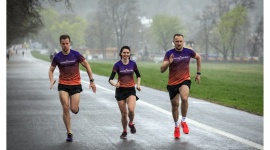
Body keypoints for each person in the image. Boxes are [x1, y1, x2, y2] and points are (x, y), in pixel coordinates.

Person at [48, 34, 96, 142]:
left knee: (73, 109)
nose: (65, 45)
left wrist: (92, 81)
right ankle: (69, 132)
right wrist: (51, 80)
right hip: (63, 85)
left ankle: (75, 108)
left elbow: (87, 65)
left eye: (67, 43)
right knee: (65, 107)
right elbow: (51, 70)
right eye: (63, 44)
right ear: (60, 44)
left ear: (70, 43)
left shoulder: (76, 55)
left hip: (75, 85)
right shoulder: (57, 57)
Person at [160, 34, 201, 139]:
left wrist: (198, 73)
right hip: (172, 83)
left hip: (185, 80)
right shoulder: (169, 53)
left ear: (183, 41)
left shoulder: (188, 51)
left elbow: (198, 57)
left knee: (184, 98)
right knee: (175, 105)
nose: (178, 43)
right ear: (173, 42)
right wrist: (169, 62)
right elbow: (162, 70)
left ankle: (183, 121)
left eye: (180, 41)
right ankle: (176, 126)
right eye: (176, 41)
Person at [108, 46, 141, 139]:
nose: (126, 54)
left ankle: (131, 123)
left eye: (127, 53)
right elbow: (110, 79)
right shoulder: (117, 65)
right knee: (124, 114)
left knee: (131, 109)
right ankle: (124, 130)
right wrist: (115, 84)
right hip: (120, 91)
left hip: (131, 89)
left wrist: (138, 85)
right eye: (124, 52)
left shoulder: (133, 64)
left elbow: (138, 76)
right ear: (121, 54)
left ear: (130, 54)